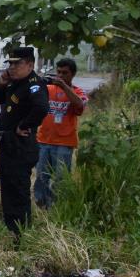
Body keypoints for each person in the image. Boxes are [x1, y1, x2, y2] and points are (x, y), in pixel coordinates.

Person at [0, 47, 49, 237]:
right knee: (8, 186)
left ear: (30, 65)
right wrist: (0, 84)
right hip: (8, 142)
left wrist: (24, 124)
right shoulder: (15, 83)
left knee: (18, 188)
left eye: (17, 63)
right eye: (11, 63)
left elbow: (41, 108)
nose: (12, 67)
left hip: (20, 143)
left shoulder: (34, 84)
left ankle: (21, 231)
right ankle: (11, 228)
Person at [34, 58, 87, 208]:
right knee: (41, 176)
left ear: (73, 74)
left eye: (65, 73)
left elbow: (80, 106)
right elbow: (33, 92)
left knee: (61, 177)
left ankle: (57, 206)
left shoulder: (77, 91)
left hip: (64, 143)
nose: (61, 75)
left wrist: (64, 87)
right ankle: (41, 204)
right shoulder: (49, 89)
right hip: (44, 140)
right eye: (59, 72)